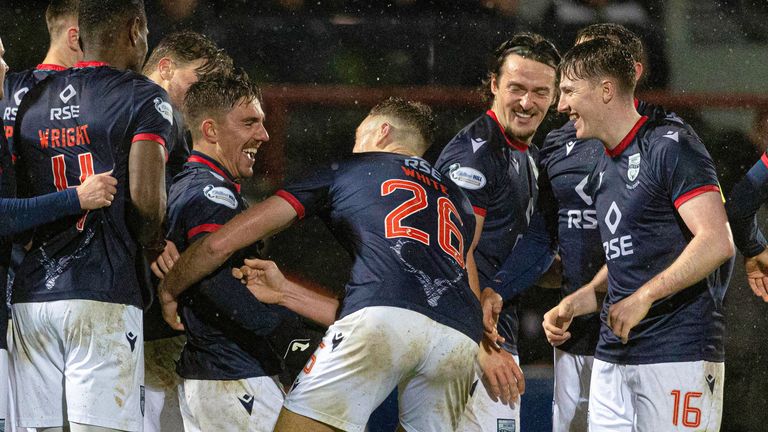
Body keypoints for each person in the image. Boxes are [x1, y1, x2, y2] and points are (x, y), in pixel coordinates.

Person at [158, 97, 482, 431]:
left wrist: (170, 287)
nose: (355, 146)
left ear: (382, 132)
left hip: (380, 321)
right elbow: (417, 308)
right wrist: (286, 293)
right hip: (461, 339)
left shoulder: (352, 168)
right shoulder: (459, 202)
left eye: (359, 137)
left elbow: (218, 244)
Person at [504, 23, 690, 432]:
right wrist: (506, 286)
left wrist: (748, 241)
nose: (572, 79)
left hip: (645, 327)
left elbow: (691, 235)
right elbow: (543, 232)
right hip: (575, 326)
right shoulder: (556, 142)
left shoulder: (663, 139)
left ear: (626, 74)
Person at [544, 38, 733, 431]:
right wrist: (586, 296)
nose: (560, 106)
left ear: (606, 91)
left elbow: (715, 240)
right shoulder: (600, 167)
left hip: (677, 353)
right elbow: (635, 254)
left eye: (568, 91)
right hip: (613, 356)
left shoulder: (671, 146)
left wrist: (643, 297)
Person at [9, 0, 171, 430]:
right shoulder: (142, 95)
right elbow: (146, 201)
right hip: (103, 290)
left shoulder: (27, 99)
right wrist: (151, 237)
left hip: (31, 297)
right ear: (135, 28)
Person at [434, 32, 560, 431]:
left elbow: (506, 251)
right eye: (516, 88)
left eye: (540, 91)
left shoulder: (529, 156)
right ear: (493, 84)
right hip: (463, 334)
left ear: (555, 96)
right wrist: (483, 348)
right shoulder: (476, 153)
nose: (527, 102)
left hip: (490, 332)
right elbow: (455, 251)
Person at [164, 71, 290, 431]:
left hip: (215, 375)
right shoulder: (211, 194)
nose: (263, 135)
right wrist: (283, 334)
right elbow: (211, 278)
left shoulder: (192, 184)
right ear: (210, 131)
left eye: (263, 123)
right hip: (233, 373)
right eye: (249, 122)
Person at [140, 29, 233, 432]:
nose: (201, 95)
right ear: (165, 68)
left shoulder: (168, 120)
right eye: (198, 80)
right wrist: (153, 234)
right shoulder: (152, 109)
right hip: (126, 296)